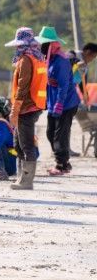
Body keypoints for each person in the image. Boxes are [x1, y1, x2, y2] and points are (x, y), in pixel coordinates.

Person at [5, 27, 47, 190]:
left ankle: (27, 181)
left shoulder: (26, 60)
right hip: (33, 105)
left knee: (26, 144)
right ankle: (22, 177)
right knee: (18, 143)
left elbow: (22, 88)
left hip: (26, 107)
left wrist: (15, 110)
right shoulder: (37, 57)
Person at [35, 26, 81, 176]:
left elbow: (63, 85)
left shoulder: (61, 61)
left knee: (59, 135)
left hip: (66, 103)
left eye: (44, 44)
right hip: (54, 102)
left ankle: (61, 165)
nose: (41, 46)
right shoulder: (50, 59)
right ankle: (64, 162)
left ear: (51, 45)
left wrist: (59, 104)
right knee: (50, 132)